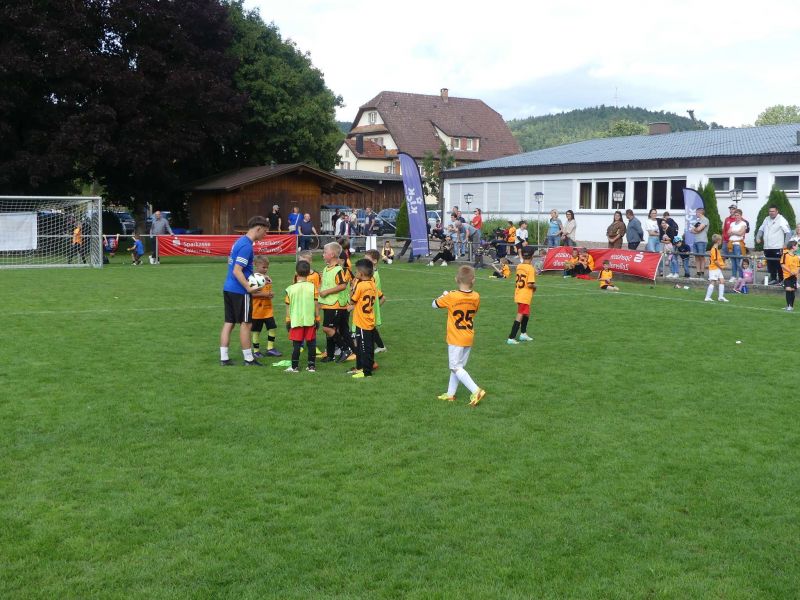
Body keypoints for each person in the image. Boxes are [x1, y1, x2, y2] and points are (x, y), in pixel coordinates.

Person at [219, 215, 269, 366]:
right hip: (240, 291)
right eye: (265, 231)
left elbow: (238, 268)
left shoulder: (239, 241)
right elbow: (237, 270)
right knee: (246, 324)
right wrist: (248, 287)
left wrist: (261, 277)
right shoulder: (247, 246)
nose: (265, 235)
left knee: (229, 322)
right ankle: (248, 358)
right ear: (258, 228)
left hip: (228, 288)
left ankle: (224, 358)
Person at [432, 265, 486, 407]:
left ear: (456, 279)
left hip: (456, 338)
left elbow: (434, 304)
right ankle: (450, 394)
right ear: (473, 280)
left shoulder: (451, 296)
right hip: (468, 336)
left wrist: (443, 296)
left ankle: (476, 390)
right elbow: (475, 310)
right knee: (457, 366)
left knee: (455, 367)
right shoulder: (476, 296)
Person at [346, 259, 385, 378]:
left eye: (356, 271)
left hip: (362, 322)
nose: (355, 273)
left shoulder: (361, 285)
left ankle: (366, 372)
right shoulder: (372, 284)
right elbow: (378, 296)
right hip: (369, 319)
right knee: (364, 347)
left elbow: (352, 301)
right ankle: (360, 367)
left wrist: (352, 289)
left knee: (364, 348)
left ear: (361, 273)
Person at [318, 241, 354, 363]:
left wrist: (326, 292)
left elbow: (343, 285)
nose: (323, 254)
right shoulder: (326, 268)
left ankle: (345, 349)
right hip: (328, 304)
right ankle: (330, 355)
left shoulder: (338, 269)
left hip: (335, 304)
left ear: (332, 254)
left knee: (327, 329)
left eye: (325, 252)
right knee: (330, 330)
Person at [284, 259, 319, 372]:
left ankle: (294, 367)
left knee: (297, 345)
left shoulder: (290, 289)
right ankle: (311, 366)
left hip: (296, 320)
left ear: (296, 273)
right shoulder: (313, 287)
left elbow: (288, 306)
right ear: (309, 273)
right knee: (311, 344)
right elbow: (316, 304)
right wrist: (317, 318)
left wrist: (288, 320)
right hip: (310, 320)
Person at [250, 255, 281, 359]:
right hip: (257, 311)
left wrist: (270, 294)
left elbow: (266, 291)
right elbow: (251, 294)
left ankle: (270, 348)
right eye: (263, 267)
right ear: (256, 265)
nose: (266, 269)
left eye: (267, 267)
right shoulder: (253, 279)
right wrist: (266, 294)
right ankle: (256, 351)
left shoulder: (267, 278)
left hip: (267, 310)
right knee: (256, 331)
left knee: (272, 328)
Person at [507, 245, 536, 344]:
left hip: (519, 293)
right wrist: (535, 287)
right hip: (524, 295)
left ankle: (523, 333)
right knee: (520, 314)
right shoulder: (530, 268)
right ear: (532, 256)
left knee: (526, 314)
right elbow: (530, 284)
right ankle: (511, 337)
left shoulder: (519, 266)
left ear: (522, 256)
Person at [756, 205, 791, 285]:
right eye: (770, 211)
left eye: (773, 211)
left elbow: (788, 232)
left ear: (777, 211)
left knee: (779, 264)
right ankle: (773, 278)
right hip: (767, 247)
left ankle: (781, 279)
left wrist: (785, 244)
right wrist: (758, 237)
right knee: (770, 264)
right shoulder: (766, 219)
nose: (771, 213)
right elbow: (761, 229)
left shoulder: (781, 219)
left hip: (777, 247)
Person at [365, 249, 387, 353]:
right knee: (369, 325)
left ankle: (380, 346)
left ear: (374, 261)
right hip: (371, 302)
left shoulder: (373, 275)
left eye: (367, 259)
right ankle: (379, 345)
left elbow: (378, 294)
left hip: (370, 302)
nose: (365, 261)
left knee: (369, 325)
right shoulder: (372, 272)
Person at [704, 234, 728, 303]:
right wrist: (721, 267)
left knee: (722, 281)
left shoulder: (716, 249)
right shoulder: (714, 249)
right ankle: (707, 297)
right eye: (720, 240)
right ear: (718, 241)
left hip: (717, 268)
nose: (721, 242)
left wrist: (722, 265)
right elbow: (715, 261)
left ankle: (720, 297)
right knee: (713, 282)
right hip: (714, 268)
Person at [727, 209, 747, 281]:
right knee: (733, 261)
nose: (736, 216)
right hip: (731, 244)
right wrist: (736, 232)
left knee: (739, 262)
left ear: (741, 215)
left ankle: (741, 276)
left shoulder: (743, 223)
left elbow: (741, 233)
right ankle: (734, 276)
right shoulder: (732, 223)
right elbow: (728, 233)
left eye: (738, 215)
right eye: (735, 215)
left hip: (738, 244)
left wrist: (733, 232)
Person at [780, 241, 799, 311]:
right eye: (797, 246)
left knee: (792, 290)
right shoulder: (785, 255)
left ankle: (791, 306)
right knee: (788, 289)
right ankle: (789, 306)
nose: (798, 247)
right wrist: (790, 271)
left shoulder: (796, 257)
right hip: (787, 276)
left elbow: (798, 266)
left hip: (794, 276)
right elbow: (782, 264)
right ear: (793, 246)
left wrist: (796, 272)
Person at [691, 207, 710, 277]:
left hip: (702, 240)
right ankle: (698, 272)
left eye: (696, 212)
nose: (696, 214)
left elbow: (698, 229)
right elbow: (691, 230)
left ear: (700, 212)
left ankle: (702, 272)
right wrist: (697, 230)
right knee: (696, 257)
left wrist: (697, 230)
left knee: (701, 256)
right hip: (696, 240)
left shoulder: (705, 220)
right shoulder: (698, 221)